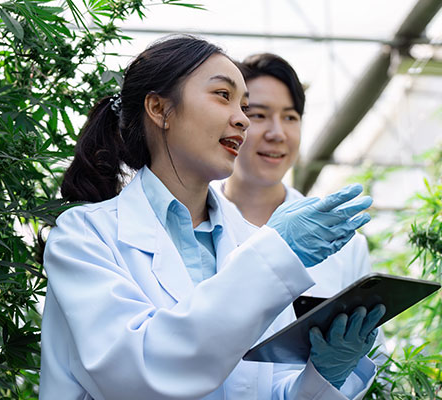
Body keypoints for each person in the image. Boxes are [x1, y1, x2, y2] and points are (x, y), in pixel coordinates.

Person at [40, 35, 385, 400]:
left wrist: (322, 377)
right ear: (159, 108)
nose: (242, 120)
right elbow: (140, 375)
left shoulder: (252, 241)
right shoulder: (84, 238)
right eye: (224, 96)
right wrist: (273, 256)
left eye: (244, 105)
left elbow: (259, 389)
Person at [218, 53, 387, 362]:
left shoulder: (343, 242)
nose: (277, 133)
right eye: (258, 115)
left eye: (290, 117)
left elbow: (373, 361)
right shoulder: (192, 219)